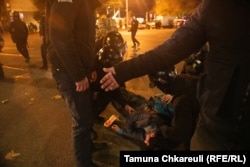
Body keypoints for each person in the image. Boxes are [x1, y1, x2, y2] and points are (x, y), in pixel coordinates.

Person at [100, 0, 250, 150]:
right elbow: (171, 49)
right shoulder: (218, 6)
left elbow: (171, 51)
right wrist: (123, 71)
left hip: (217, 123)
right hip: (216, 123)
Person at [46, 1, 102, 167]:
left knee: (87, 113)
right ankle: (84, 163)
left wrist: (90, 67)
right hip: (68, 70)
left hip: (78, 68)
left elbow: (84, 37)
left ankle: (88, 147)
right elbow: (59, 36)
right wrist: (78, 75)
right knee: (82, 120)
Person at [147, 67, 200, 150]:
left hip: (205, 137)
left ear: (162, 83)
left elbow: (180, 134)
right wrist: (173, 95)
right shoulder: (188, 78)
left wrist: (161, 128)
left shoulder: (181, 101)